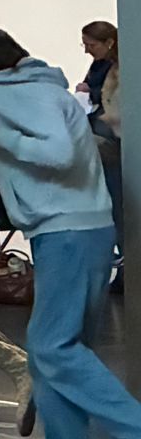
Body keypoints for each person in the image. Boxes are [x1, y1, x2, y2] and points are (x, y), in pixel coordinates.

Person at [0, 26, 141, 439]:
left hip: (66, 230)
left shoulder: (12, 93)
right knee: (54, 349)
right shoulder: (39, 87)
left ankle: (133, 433)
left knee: (53, 346)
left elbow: (57, 153)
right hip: (79, 227)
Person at [81, 21, 122, 289]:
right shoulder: (98, 66)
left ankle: (126, 271)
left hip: (113, 140)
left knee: (118, 206)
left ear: (109, 43)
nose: (87, 50)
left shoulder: (118, 68)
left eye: (91, 45)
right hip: (99, 133)